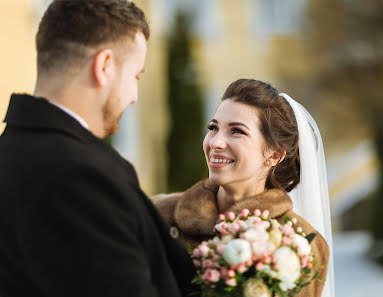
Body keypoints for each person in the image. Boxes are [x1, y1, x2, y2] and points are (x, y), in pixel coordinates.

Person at [0, 1, 196, 296]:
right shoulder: (77, 176)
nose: (134, 96)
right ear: (103, 66)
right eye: (135, 76)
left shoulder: (11, 152)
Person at [152, 79, 335, 297]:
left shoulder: (302, 244)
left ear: (274, 155)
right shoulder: (159, 214)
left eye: (237, 131)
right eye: (213, 128)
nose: (216, 142)